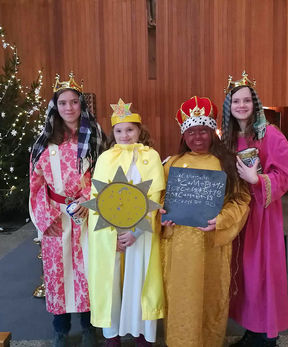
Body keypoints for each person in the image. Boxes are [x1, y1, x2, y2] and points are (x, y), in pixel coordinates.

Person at [160, 96, 251, 347]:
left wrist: (221, 220)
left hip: (212, 245)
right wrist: (161, 217)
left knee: (211, 298)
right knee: (181, 299)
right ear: (183, 135)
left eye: (203, 131)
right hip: (179, 248)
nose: (197, 137)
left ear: (213, 132)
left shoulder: (227, 163)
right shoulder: (172, 164)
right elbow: (158, 201)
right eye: (191, 132)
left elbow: (241, 201)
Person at [29, 73, 105, 347]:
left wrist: (88, 201)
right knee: (57, 274)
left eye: (74, 102)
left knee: (86, 273)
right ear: (56, 107)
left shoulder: (94, 137)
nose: (69, 108)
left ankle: (88, 327)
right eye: (63, 103)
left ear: (81, 106)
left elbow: (103, 175)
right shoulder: (44, 142)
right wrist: (44, 217)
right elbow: (35, 184)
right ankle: (60, 329)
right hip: (55, 216)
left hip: (86, 214)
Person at [221, 72, 288, 347]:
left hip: (263, 217)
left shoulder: (271, 135)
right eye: (235, 101)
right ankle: (252, 329)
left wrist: (258, 180)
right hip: (237, 214)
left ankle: (266, 336)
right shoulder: (227, 139)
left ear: (255, 104)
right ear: (229, 106)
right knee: (243, 274)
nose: (241, 105)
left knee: (262, 272)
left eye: (246, 100)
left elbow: (286, 175)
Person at [87, 99, 165, 347]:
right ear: (113, 133)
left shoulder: (150, 156)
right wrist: (111, 237)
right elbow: (98, 199)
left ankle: (142, 331)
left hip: (140, 232)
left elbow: (153, 197)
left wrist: (135, 230)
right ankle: (113, 335)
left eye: (130, 130)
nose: (125, 135)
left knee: (139, 278)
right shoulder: (105, 158)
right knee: (114, 282)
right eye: (119, 131)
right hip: (112, 233)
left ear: (139, 130)